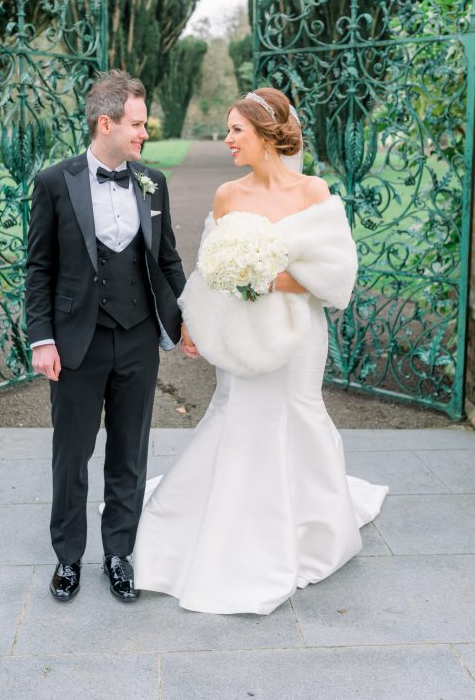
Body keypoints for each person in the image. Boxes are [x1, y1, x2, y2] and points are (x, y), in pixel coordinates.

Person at [132, 88, 389, 615]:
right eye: (228, 130)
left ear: (267, 137)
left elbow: (336, 274)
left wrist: (265, 276)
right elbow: (208, 268)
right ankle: (228, 518)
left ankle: (311, 528)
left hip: (299, 335)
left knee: (300, 412)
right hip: (243, 335)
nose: (227, 139)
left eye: (236, 130)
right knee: (236, 412)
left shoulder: (313, 192)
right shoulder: (227, 195)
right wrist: (192, 320)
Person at [25, 70, 186, 603]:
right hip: (77, 341)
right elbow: (39, 269)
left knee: (130, 452)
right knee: (71, 454)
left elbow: (167, 260)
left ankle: (119, 553)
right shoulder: (54, 182)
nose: (145, 132)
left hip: (138, 338)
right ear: (106, 123)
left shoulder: (152, 181)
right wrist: (42, 339)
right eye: (137, 123)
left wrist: (189, 319)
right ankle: (68, 558)